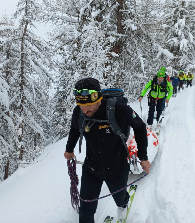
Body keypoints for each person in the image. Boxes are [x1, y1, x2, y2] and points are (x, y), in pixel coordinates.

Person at [64, 78, 151, 223]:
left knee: (120, 197)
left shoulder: (119, 110)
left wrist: (143, 157)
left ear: (98, 97)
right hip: (91, 168)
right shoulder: (79, 113)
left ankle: (123, 205)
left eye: (88, 105)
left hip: (118, 167)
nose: (84, 110)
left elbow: (140, 127)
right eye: (80, 105)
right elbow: (74, 129)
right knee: (86, 209)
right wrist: (69, 149)